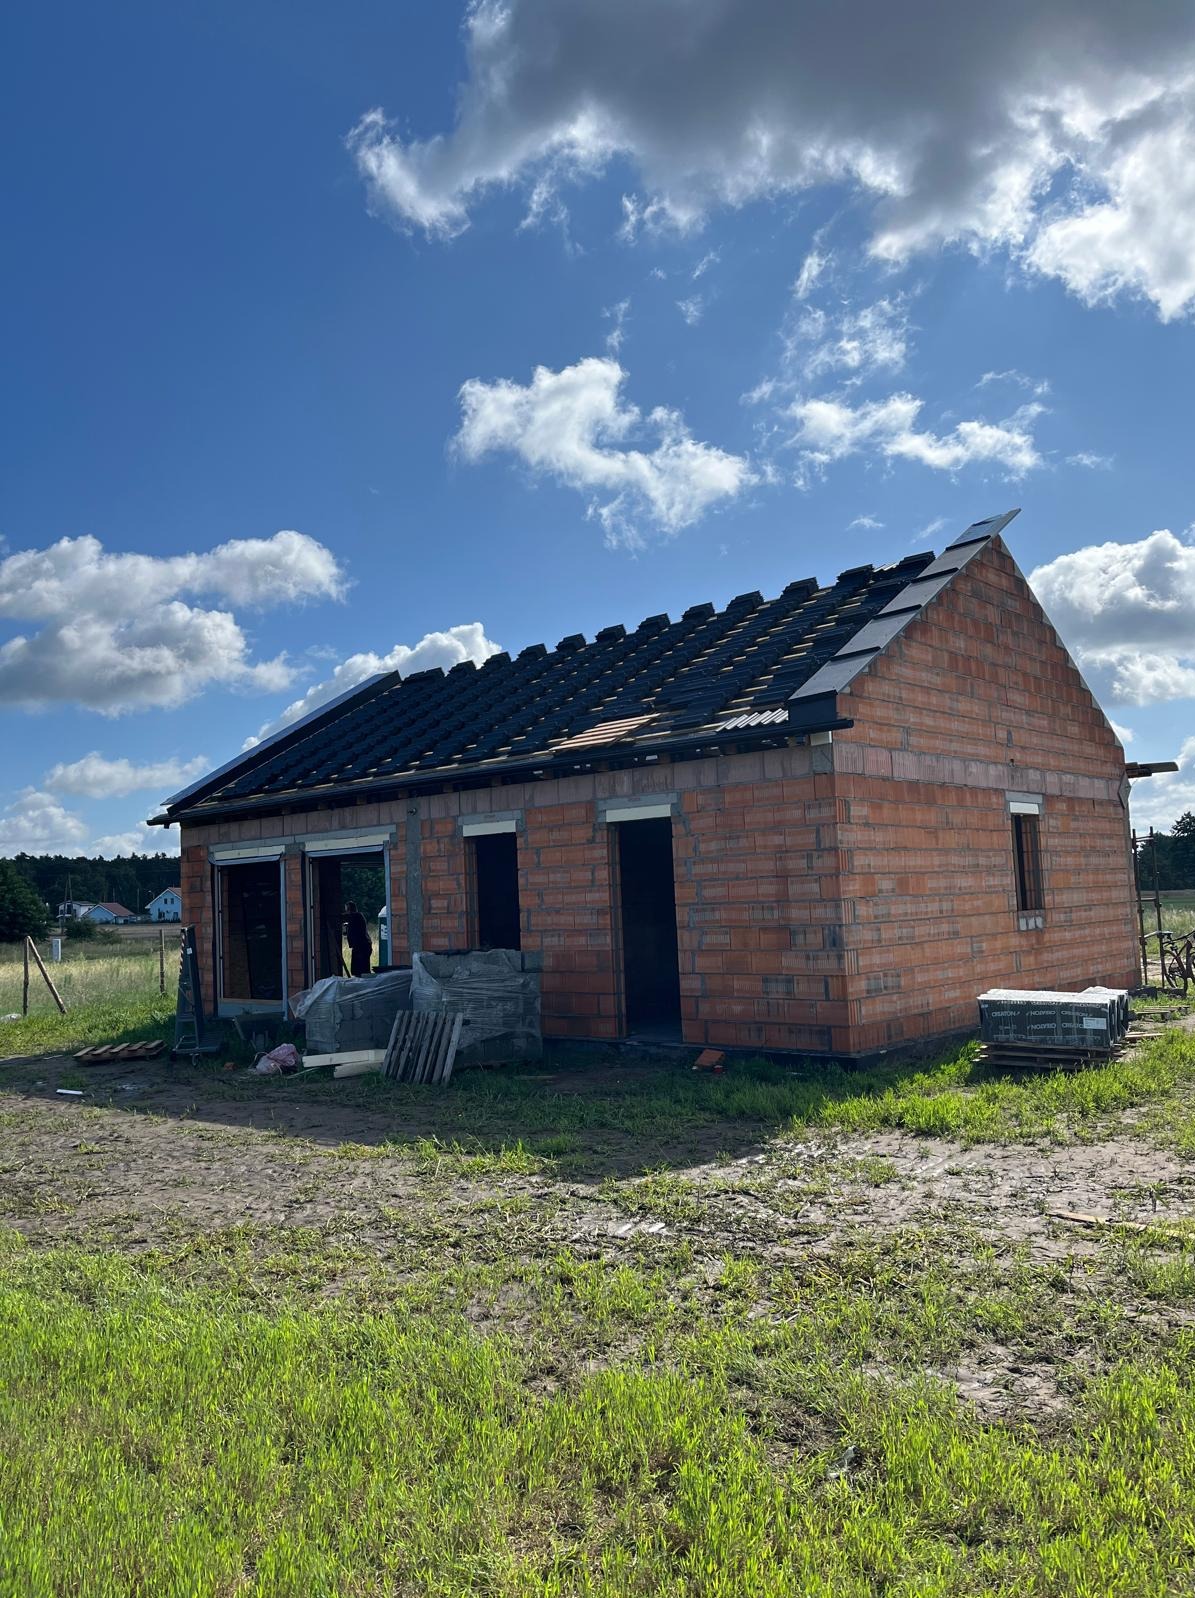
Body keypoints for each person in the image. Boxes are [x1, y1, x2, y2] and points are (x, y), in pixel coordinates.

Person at [343, 901, 372, 977]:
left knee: (361, 970)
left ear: (349, 909)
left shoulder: (356, 916)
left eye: (346, 909)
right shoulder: (357, 916)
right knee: (360, 969)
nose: (346, 911)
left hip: (361, 946)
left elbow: (345, 917)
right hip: (362, 945)